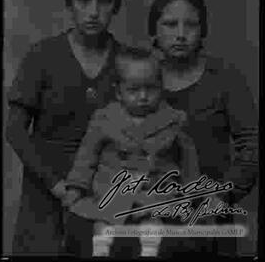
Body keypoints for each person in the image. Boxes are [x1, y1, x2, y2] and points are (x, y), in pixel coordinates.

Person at [5, 0, 125, 255]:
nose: (94, 11)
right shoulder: (42, 56)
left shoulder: (129, 63)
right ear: (70, 5)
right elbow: (15, 131)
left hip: (103, 197)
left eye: (104, 1)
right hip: (46, 196)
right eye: (84, 1)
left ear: (116, 7)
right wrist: (56, 185)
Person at [147, 0, 258, 256]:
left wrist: (221, 196)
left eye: (191, 24)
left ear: (203, 30)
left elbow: (252, 145)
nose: (181, 34)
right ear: (154, 30)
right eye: (170, 24)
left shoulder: (225, 79)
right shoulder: (138, 79)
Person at [61, 47, 200, 258]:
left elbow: (188, 159)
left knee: (153, 219)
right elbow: (86, 157)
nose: (143, 97)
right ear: (119, 91)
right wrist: (76, 187)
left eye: (151, 89)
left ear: (161, 87)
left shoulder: (173, 120)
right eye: (134, 90)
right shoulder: (104, 119)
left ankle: (150, 250)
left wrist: (191, 192)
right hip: (112, 188)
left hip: (154, 188)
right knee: (103, 219)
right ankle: (100, 250)